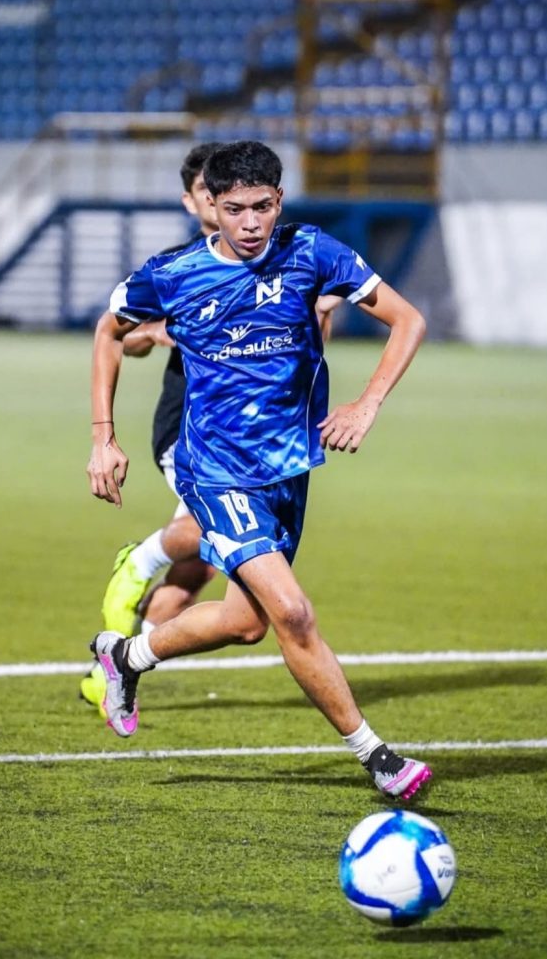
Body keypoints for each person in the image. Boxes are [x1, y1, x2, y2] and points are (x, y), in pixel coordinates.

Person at [86, 140, 431, 801]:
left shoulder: (312, 253)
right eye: (235, 209)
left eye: (263, 207)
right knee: (293, 613)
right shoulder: (173, 273)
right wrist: (104, 437)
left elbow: (406, 319)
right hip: (215, 471)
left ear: (279, 201)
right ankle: (377, 757)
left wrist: (366, 402)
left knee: (245, 624)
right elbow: (110, 330)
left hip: (288, 468)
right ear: (209, 205)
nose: (250, 223)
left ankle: (123, 656)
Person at [80, 143, 222, 710]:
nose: (218, 199)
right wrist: (157, 331)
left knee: (198, 572)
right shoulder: (176, 266)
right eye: (208, 191)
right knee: (209, 528)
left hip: (251, 431)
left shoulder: (272, 262)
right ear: (191, 201)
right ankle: (139, 560)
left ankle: (114, 670)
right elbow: (122, 336)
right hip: (187, 425)